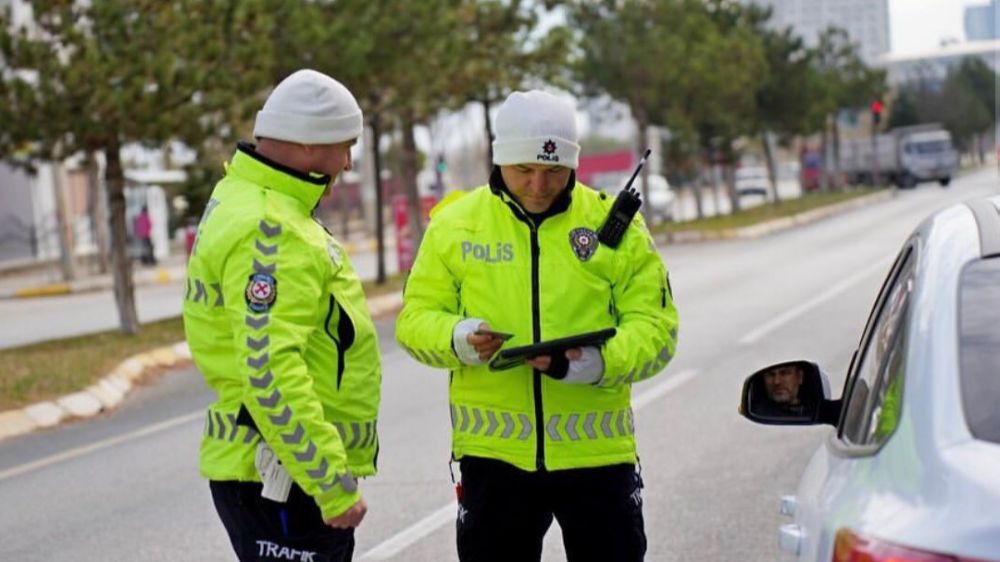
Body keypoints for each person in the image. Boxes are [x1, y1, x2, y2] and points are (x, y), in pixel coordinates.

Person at [396, 90, 679, 562]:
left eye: (553, 171)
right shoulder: (455, 227)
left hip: (597, 460)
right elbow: (414, 320)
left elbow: (657, 328)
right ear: (499, 159)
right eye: (524, 170)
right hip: (495, 462)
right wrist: (460, 338)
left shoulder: (615, 226)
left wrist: (594, 364)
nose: (538, 185)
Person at [182, 69, 381, 562]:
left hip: (273, 472)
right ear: (311, 146)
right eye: (344, 146)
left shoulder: (244, 198)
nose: (348, 163)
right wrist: (330, 483)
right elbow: (270, 372)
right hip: (284, 480)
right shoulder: (271, 228)